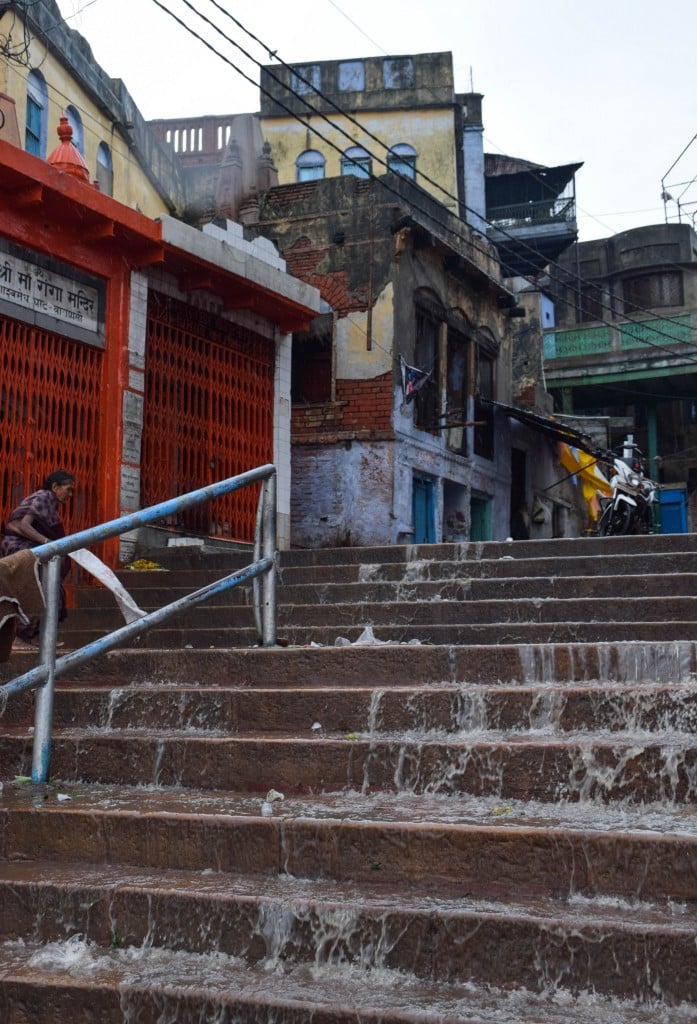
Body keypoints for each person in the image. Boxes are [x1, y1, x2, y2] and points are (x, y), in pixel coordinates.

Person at [1, 470, 76, 647]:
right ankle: (24, 635)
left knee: (47, 588)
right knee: (40, 589)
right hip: (20, 548)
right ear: (55, 486)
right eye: (68, 489)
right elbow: (23, 525)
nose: (70, 495)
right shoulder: (45, 497)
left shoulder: (48, 502)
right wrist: (47, 543)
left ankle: (33, 635)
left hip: (23, 549)